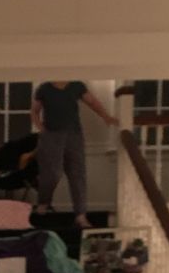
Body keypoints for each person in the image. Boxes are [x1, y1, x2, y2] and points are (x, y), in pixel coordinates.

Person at [31, 81, 118, 228]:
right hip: (51, 135)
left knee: (77, 175)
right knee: (53, 173)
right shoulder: (44, 88)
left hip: (74, 135)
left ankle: (80, 216)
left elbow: (92, 102)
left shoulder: (76, 86)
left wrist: (106, 117)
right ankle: (43, 203)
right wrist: (41, 128)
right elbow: (34, 111)